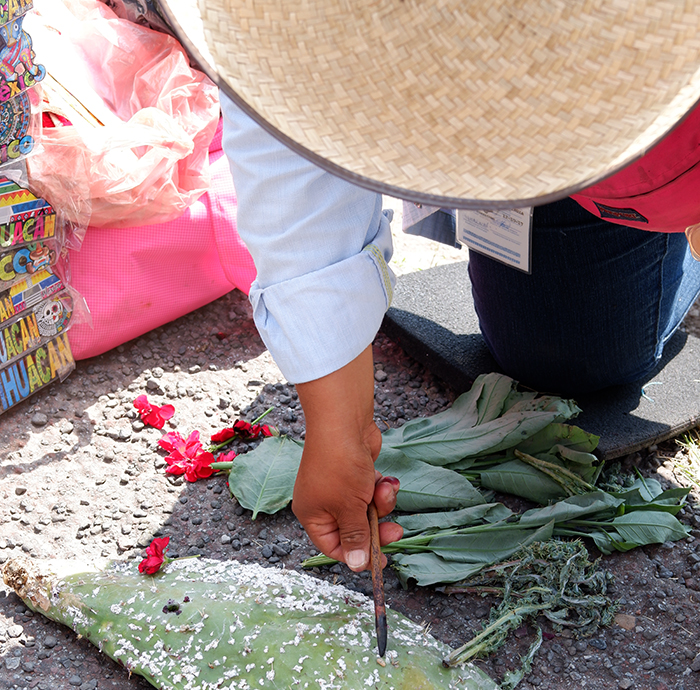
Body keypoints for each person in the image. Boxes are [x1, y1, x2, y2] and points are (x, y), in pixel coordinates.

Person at [164, 0, 700, 571]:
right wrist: (339, 425)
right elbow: (293, 159)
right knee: (563, 355)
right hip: (554, 144)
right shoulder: (298, 26)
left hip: (656, 106)